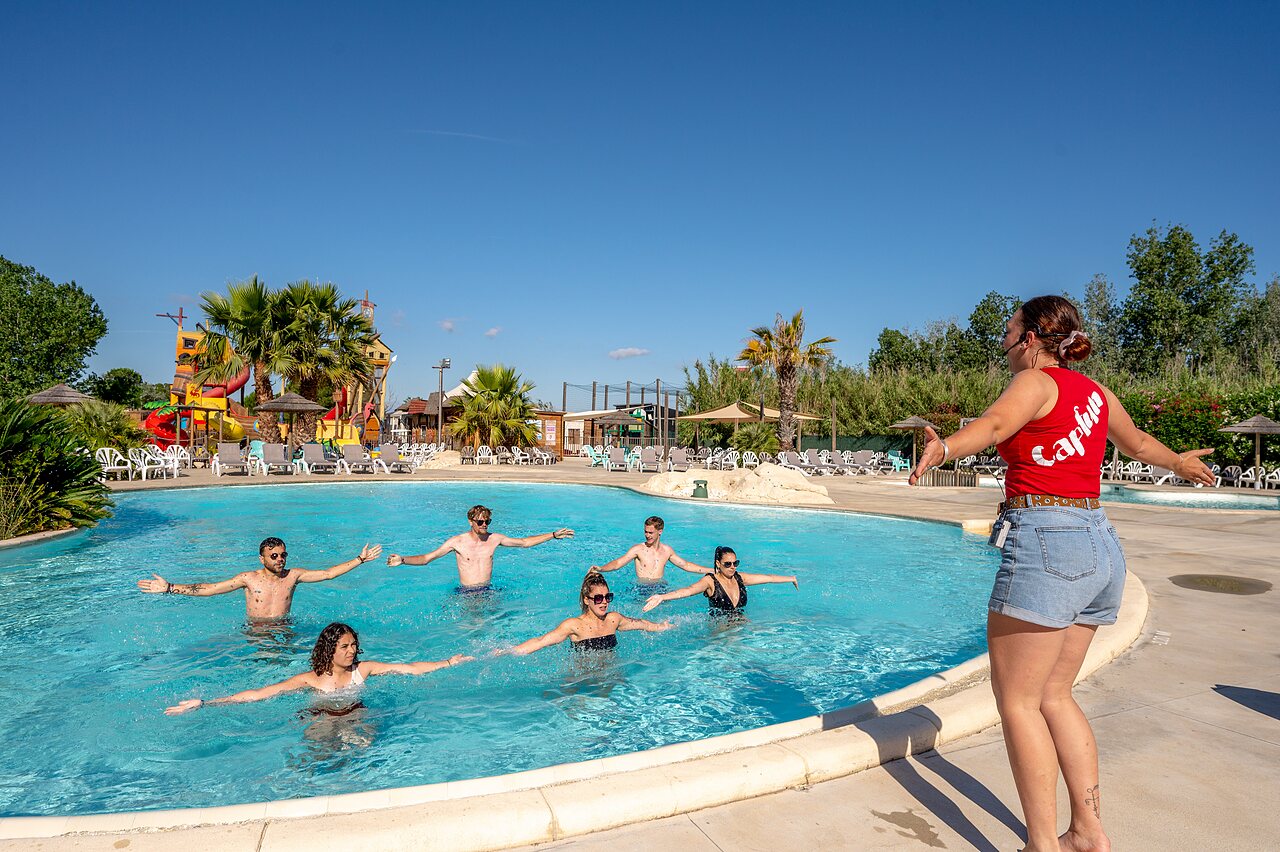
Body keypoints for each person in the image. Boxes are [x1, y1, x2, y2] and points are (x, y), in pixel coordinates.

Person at [909, 295, 1215, 852]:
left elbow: (997, 423)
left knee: (1020, 703)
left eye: (1008, 332)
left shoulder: (1035, 381)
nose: (1003, 343)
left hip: (1048, 543)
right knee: (1055, 695)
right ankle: (1088, 831)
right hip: (1100, 546)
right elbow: (1138, 443)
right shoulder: (1096, 393)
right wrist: (1179, 463)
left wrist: (946, 447)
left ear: (1030, 339)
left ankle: (1042, 845)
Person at [164, 621, 472, 715]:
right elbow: (259, 694)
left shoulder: (363, 671)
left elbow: (410, 668)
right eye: (344, 647)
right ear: (330, 650)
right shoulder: (309, 680)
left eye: (354, 645)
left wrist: (447, 662)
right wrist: (206, 703)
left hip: (356, 714)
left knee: (361, 747)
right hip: (320, 716)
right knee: (315, 754)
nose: (352, 652)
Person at [137, 538, 383, 621]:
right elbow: (209, 589)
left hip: (284, 629)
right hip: (254, 633)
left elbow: (328, 573)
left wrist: (359, 560)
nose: (280, 559)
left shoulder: (293, 576)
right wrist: (170, 588)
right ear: (262, 559)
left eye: (283, 555)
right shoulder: (248, 579)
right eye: (274, 556)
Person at [385, 505, 574, 590]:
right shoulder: (457, 542)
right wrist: (403, 560)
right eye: (481, 521)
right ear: (471, 522)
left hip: (488, 591)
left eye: (487, 521)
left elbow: (524, 542)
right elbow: (427, 559)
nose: (484, 524)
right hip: (465, 594)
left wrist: (553, 535)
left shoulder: (495, 539)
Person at [503, 570, 673, 655]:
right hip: (582, 679)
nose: (604, 602)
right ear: (586, 600)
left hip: (610, 676)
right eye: (598, 598)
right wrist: (508, 651)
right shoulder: (574, 625)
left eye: (607, 597)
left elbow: (640, 624)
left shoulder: (613, 620)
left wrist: (662, 626)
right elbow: (541, 641)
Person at [641, 546, 799, 613]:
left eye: (735, 563)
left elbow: (768, 578)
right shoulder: (710, 581)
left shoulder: (740, 578)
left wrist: (791, 578)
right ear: (718, 564)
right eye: (728, 564)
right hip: (720, 632)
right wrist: (662, 597)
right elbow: (688, 591)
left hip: (741, 627)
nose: (732, 567)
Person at [591, 516, 709, 585]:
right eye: (645, 532)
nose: (647, 535)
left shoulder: (667, 550)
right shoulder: (638, 549)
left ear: (660, 531)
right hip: (642, 588)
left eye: (651, 532)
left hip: (660, 587)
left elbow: (686, 565)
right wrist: (602, 569)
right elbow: (618, 563)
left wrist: (711, 570)